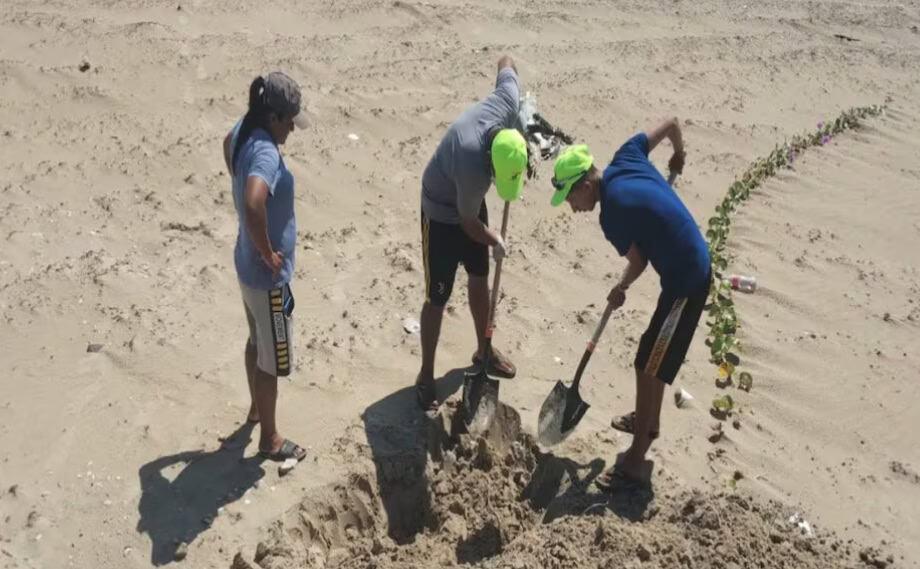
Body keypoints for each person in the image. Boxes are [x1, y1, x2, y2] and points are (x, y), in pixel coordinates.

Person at [549, 118, 711, 487]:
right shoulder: (626, 154)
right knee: (647, 356)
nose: (572, 207)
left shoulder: (613, 215)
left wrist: (621, 286)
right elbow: (671, 124)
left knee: (650, 364)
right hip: (682, 269)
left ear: (587, 185)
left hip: (688, 279)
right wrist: (679, 157)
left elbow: (637, 261)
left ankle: (637, 459)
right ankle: (647, 420)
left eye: (571, 198)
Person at [415, 55, 529, 412]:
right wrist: (494, 239)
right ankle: (426, 374)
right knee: (438, 296)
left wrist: (522, 116)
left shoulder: (506, 104)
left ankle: (485, 349)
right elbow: (468, 224)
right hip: (442, 212)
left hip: (469, 206)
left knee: (480, 279)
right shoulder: (472, 165)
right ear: (491, 165)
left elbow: (506, 61)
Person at [221, 72, 309, 462]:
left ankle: (257, 410)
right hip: (267, 278)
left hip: (245, 267)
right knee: (273, 359)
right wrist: (269, 251)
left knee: (256, 340)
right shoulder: (267, 153)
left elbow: (227, 145)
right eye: (289, 120)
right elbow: (256, 201)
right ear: (273, 116)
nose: (292, 128)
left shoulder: (246, 128)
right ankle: (270, 439)